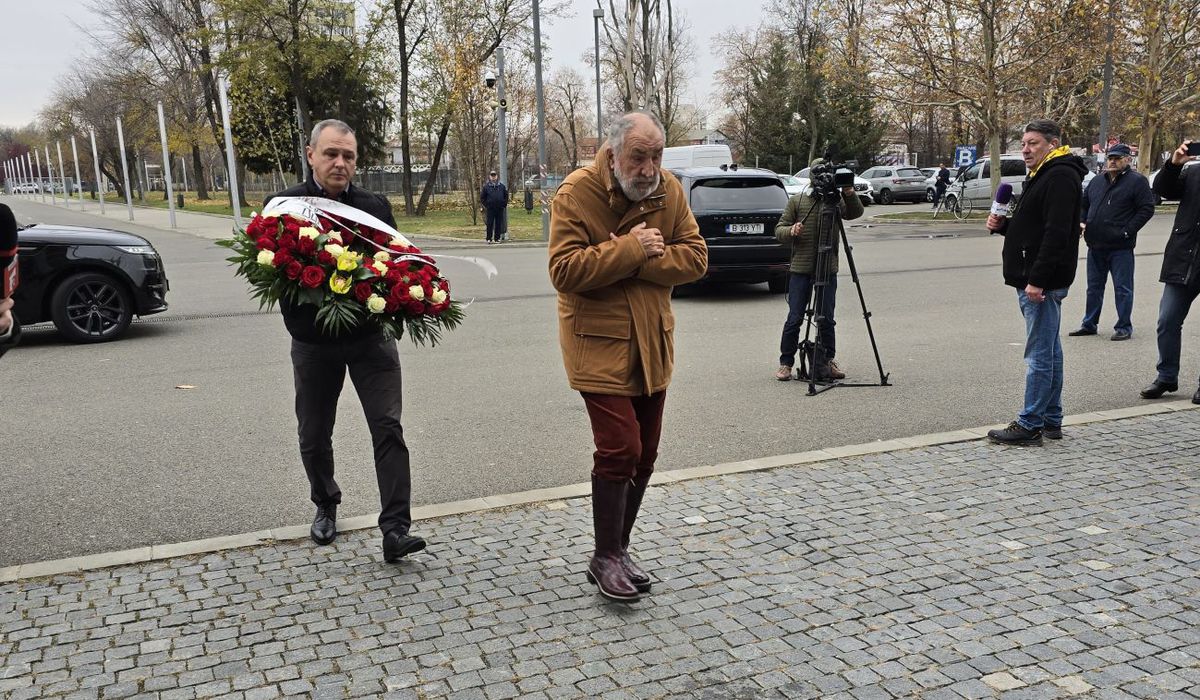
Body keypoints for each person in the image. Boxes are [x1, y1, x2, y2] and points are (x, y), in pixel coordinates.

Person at [548, 112, 707, 602]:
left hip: (652, 340)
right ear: (613, 153)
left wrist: (640, 257)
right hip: (597, 342)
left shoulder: (669, 191)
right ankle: (604, 556)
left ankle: (618, 549)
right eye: (639, 156)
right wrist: (633, 250)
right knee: (621, 447)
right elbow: (564, 270)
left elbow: (697, 258)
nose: (649, 168)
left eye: (657, 156)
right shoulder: (576, 193)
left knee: (647, 451)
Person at [267, 118, 425, 563]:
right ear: (311, 154)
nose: (340, 163)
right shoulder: (285, 205)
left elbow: (399, 264)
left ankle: (396, 529)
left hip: (370, 340)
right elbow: (276, 277)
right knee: (314, 433)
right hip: (314, 343)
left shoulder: (374, 206)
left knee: (389, 429)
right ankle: (325, 503)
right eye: (332, 154)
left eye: (349, 156)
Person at [986, 119, 1088, 445]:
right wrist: (1004, 226)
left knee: (1039, 355)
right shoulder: (1045, 173)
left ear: (1052, 143)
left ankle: (1030, 423)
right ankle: (1051, 418)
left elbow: (1057, 233)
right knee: (1050, 351)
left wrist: (1038, 281)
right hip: (1036, 278)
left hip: (1040, 282)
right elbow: (1034, 226)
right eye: (1024, 144)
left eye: (1033, 143)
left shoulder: (1059, 175)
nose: (1026, 150)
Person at [773, 158, 864, 382]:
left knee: (826, 318)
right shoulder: (798, 200)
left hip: (827, 268)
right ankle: (786, 363)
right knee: (795, 317)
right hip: (801, 268)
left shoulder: (835, 201)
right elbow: (779, 230)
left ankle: (827, 360)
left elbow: (855, 213)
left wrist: (849, 192)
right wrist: (791, 230)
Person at [1068, 143, 1154, 341]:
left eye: (1117, 158)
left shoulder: (1137, 181)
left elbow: (1146, 209)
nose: (1113, 161)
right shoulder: (1097, 181)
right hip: (1095, 245)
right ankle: (1089, 324)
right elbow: (1084, 204)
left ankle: (1124, 326)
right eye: (1110, 158)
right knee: (1094, 288)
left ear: (1127, 160)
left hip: (1120, 247)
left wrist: (1127, 232)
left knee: (1122, 288)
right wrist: (1082, 221)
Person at [1140, 139, 1200, 404]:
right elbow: (1163, 189)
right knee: (1167, 320)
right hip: (1184, 258)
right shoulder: (1194, 171)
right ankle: (1166, 376)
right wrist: (1174, 164)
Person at [479, 170, 508, 243]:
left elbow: (506, 196)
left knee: (498, 223)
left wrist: (503, 204)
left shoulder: (501, 186)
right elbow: (482, 197)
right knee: (490, 223)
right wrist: (487, 205)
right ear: (490, 177)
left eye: (494, 175)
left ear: (497, 176)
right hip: (490, 208)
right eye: (492, 175)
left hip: (499, 208)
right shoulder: (486, 187)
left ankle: (497, 238)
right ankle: (489, 238)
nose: (493, 177)